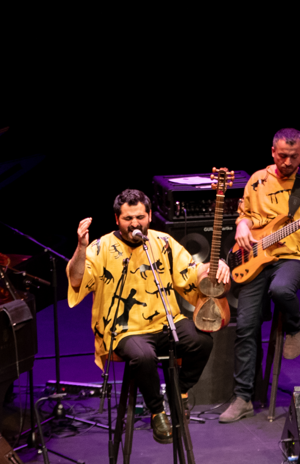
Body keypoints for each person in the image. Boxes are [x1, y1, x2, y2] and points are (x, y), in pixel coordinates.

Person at [68, 189, 229, 442]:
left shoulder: (162, 242)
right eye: (128, 218)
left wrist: (215, 269)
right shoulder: (100, 247)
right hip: (123, 330)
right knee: (144, 356)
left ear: (150, 216)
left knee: (201, 340)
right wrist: (81, 247)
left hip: (166, 323)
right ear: (116, 220)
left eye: (140, 217)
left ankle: (180, 393)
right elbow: (77, 278)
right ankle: (157, 412)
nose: (135, 223)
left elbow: (192, 271)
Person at [220, 128, 300, 423]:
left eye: (294, 157)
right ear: (273, 152)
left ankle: (294, 327)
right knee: (245, 325)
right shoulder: (257, 179)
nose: (287, 162)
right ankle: (243, 397)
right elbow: (244, 212)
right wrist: (242, 225)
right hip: (258, 259)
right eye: (283, 156)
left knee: (281, 289)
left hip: (296, 257)